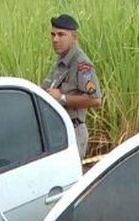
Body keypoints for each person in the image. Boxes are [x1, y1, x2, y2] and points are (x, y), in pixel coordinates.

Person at [41, 14, 102, 158]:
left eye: (61, 35)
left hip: (74, 132)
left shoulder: (82, 64)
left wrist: (62, 97)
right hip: (59, 132)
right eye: (53, 34)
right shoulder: (61, 62)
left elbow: (95, 100)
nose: (55, 39)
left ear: (74, 37)